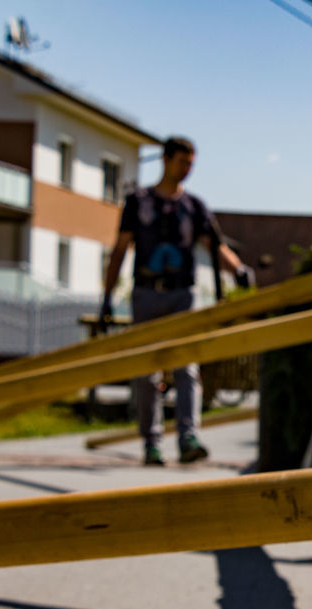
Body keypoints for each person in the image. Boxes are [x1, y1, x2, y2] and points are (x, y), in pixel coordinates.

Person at [102, 136, 252, 466]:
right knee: (147, 372)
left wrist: (238, 270)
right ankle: (152, 443)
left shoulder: (193, 207)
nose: (187, 170)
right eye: (182, 163)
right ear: (167, 160)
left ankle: (188, 437)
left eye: (191, 165)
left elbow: (214, 245)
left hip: (183, 294)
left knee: (187, 367)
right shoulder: (139, 202)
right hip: (146, 293)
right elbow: (119, 250)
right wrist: (107, 296)